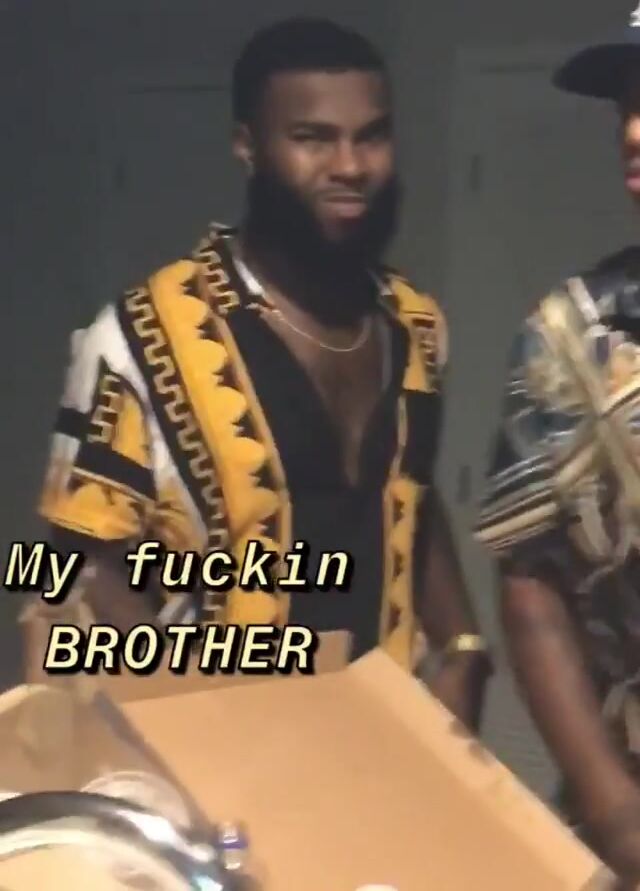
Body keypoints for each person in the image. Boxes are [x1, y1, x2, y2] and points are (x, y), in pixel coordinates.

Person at [33, 18, 488, 727]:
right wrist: (191, 728)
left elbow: (411, 492)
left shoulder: (414, 323)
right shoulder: (138, 339)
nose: (350, 166)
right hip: (217, 752)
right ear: (248, 145)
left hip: (386, 743)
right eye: (313, 138)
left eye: (370, 136)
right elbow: (80, 571)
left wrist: (462, 649)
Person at [475, 5, 640, 882]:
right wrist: (618, 819)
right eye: (626, 106)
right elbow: (530, 581)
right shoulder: (573, 338)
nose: (634, 131)